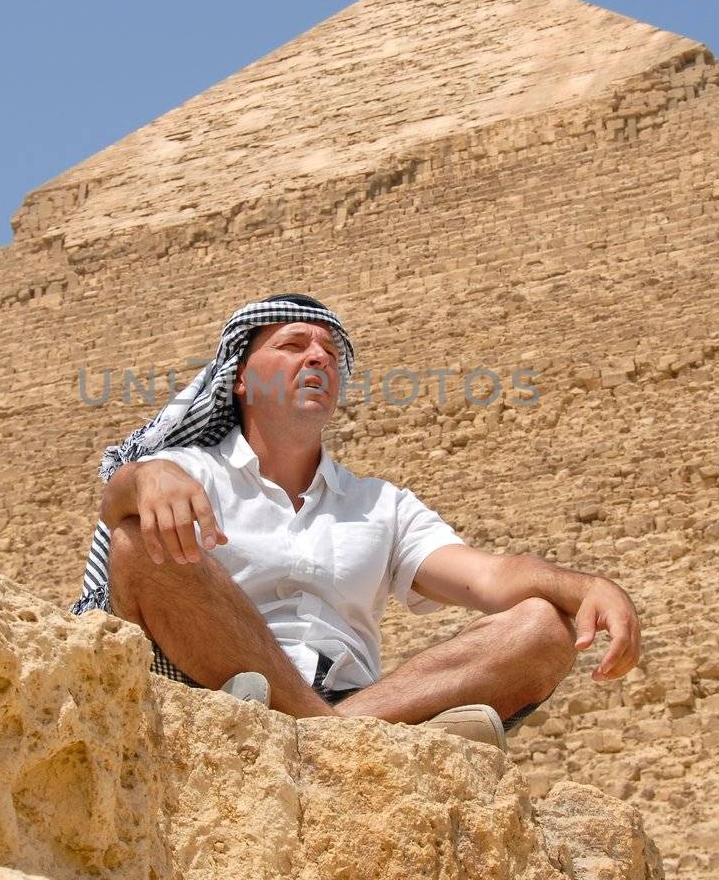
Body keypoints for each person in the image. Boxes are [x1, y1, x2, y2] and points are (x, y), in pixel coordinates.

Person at [70, 294, 640, 750]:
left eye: (330, 354)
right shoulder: (187, 472)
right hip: (215, 686)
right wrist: (142, 478)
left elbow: (490, 579)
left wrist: (587, 586)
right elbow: (119, 503)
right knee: (139, 538)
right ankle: (354, 738)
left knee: (544, 625)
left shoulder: (380, 504)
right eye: (293, 345)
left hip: (359, 698)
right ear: (239, 379)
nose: (317, 357)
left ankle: (314, 734)